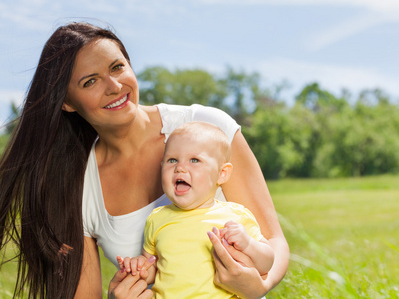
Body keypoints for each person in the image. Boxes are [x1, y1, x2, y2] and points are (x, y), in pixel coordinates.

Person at [0, 22, 289, 299]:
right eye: (90, 82)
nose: (114, 86)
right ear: (67, 102)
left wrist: (258, 288)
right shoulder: (78, 186)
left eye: (117, 67)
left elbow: (273, 240)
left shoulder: (206, 126)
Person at [118, 121, 275, 298]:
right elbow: (153, 266)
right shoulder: (157, 218)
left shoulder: (235, 216)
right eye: (172, 160)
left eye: (194, 160)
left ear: (221, 173)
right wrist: (139, 267)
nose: (180, 167)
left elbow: (267, 261)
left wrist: (248, 244)